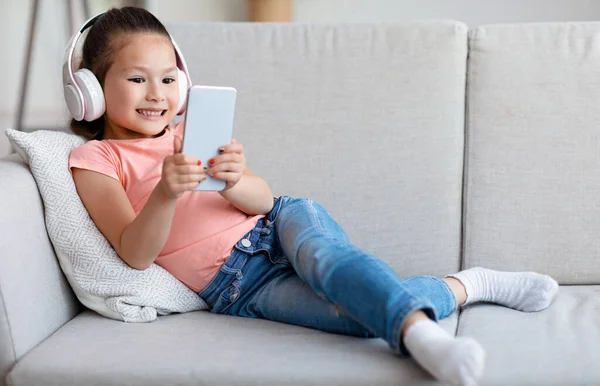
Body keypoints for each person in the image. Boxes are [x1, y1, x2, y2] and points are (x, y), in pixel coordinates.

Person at [67, 7, 559, 386]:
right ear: (90, 90)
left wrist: (235, 178)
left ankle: (421, 334)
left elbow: (260, 200)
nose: (157, 93)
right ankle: (468, 286)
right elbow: (134, 253)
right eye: (137, 79)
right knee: (355, 318)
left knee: (328, 262)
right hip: (235, 287)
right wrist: (164, 194)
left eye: (169, 79)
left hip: (278, 223)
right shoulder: (97, 160)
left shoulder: (187, 131)